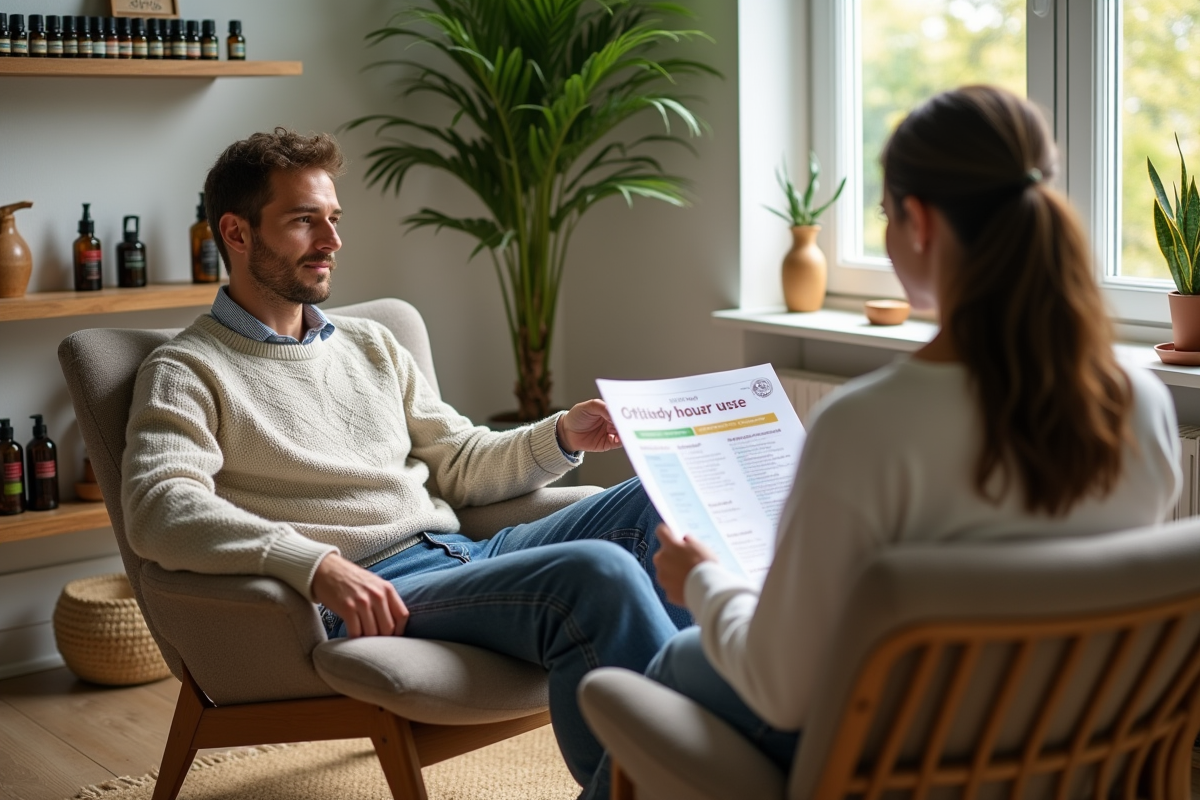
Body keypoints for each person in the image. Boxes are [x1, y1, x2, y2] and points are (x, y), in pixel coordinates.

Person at [582, 85, 1182, 797]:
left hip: (898, 766)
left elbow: (782, 691)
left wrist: (703, 582)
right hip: (1074, 754)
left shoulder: (869, 426)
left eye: (884, 214)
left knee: (680, 660)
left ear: (919, 223)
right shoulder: (1140, 404)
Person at [120, 128, 689, 789]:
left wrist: (562, 433)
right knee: (595, 572)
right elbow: (161, 509)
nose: (332, 242)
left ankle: (691, 761)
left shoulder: (372, 344)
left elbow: (460, 459)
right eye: (305, 221)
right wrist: (315, 565)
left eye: (333, 220)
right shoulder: (188, 369)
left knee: (660, 496)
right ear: (237, 234)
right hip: (371, 594)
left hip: (467, 556)